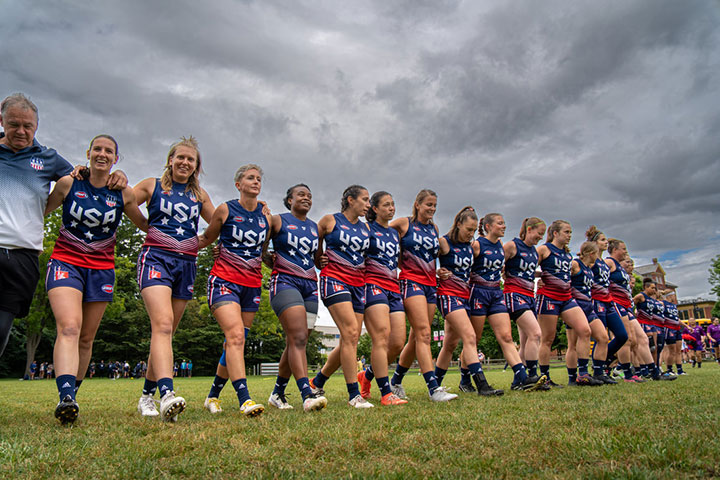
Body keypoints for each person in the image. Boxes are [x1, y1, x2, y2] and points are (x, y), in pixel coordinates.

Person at [0, 93, 127, 358]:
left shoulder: (48, 159)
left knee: (2, 328)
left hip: (23, 255)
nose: (21, 131)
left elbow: (89, 179)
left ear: (36, 126)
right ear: (2, 121)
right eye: (13, 124)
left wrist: (118, 174)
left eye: (28, 126)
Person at [44, 134, 147, 424]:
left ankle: (71, 398)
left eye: (109, 151)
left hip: (101, 268)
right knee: (69, 327)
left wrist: (191, 240)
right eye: (97, 149)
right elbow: (39, 211)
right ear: (88, 153)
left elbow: (145, 225)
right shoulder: (68, 183)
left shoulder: (124, 193)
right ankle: (65, 395)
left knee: (86, 338)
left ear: (116, 158)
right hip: (66, 262)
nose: (102, 154)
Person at [134, 136, 214, 421]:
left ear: (196, 167)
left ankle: (146, 397)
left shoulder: (200, 195)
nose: (184, 162)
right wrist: (145, 226)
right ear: (170, 160)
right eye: (180, 157)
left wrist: (201, 241)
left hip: (186, 264)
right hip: (155, 260)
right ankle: (167, 393)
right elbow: (125, 201)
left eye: (190, 160)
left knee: (166, 333)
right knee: (163, 325)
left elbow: (218, 223)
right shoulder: (151, 185)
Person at [197, 164, 271, 417]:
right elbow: (207, 238)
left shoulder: (266, 217)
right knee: (235, 337)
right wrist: (173, 245)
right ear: (238, 185)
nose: (256, 182)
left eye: (259, 179)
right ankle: (245, 399)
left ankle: (213, 397)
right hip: (224, 281)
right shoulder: (225, 209)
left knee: (235, 342)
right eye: (250, 178)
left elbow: (263, 254)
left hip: (251, 286)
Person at [388, 189, 457, 402]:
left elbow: (428, 257)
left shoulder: (434, 228)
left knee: (417, 337)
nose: (432, 209)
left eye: (435, 206)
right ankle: (433, 389)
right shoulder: (403, 224)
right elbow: (379, 233)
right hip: (410, 281)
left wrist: (438, 272)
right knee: (424, 334)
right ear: (417, 204)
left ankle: (391, 380)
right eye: (428, 205)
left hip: (430, 284)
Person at [310, 185, 376, 408]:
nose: (368, 204)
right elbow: (310, 238)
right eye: (365, 200)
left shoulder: (367, 228)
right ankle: (353, 395)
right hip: (334, 280)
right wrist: (318, 257)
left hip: (359, 284)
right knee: (349, 332)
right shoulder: (330, 220)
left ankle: (317, 381)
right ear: (350, 200)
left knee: (352, 338)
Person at [469, 213, 546, 391]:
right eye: (500, 223)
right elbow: (466, 265)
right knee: (473, 338)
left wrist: (542, 276)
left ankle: (523, 378)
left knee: (507, 337)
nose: (504, 226)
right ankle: (467, 379)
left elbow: (502, 267)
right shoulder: (482, 244)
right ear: (488, 226)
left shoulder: (500, 245)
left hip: (497, 293)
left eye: (504, 223)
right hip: (482, 293)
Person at [433, 207, 503, 396]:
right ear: (458, 225)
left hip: (465, 297)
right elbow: (423, 260)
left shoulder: (469, 247)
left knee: (450, 344)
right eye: (468, 230)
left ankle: (434, 386)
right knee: (470, 337)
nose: (471, 234)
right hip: (448, 295)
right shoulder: (444, 243)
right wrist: (436, 272)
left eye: (473, 231)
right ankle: (482, 385)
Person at [356, 191, 409, 405]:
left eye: (393, 204)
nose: (392, 208)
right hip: (372, 285)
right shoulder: (366, 229)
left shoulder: (395, 234)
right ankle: (386, 392)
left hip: (393, 288)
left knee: (397, 343)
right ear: (374, 209)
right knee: (381, 337)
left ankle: (366, 375)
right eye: (386, 205)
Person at [535, 220, 592, 388]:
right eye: (566, 232)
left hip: (567, 298)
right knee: (548, 339)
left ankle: (582, 375)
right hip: (549, 298)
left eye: (570, 232)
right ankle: (544, 377)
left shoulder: (568, 255)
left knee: (585, 330)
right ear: (555, 233)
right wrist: (538, 278)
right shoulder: (544, 249)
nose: (569, 235)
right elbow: (527, 268)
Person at [503, 217, 546, 382]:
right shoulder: (513, 245)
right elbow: (498, 263)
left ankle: (518, 380)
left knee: (527, 339)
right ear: (529, 229)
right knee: (536, 333)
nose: (540, 238)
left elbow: (527, 271)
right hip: (514, 295)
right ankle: (533, 375)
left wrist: (542, 275)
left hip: (529, 296)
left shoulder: (534, 252)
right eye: (539, 233)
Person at [584, 226, 628, 382]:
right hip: (596, 301)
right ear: (595, 243)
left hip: (608, 302)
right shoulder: (592, 261)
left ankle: (604, 361)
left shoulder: (604, 263)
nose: (606, 242)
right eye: (603, 240)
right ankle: (598, 371)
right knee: (600, 337)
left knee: (622, 335)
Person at [606, 240, 649, 383]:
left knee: (632, 339)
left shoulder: (619, 266)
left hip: (626, 306)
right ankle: (622, 371)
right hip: (616, 303)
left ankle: (621, 368)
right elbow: (596, 274)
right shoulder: (609, 262)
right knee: (625, 338)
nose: (625, 251)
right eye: (623, 249)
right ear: (615, 250)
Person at [568, 242, 609, 385]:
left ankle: (598, 373)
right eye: (597, 254)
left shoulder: (590, 269)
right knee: (573, 343)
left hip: (588, 308)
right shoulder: (575, 264)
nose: (598, 257)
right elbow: (560, 276)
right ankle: (575, 376)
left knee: (603, 337)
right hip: (574, 308)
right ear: (591, 254)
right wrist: (542, 280)